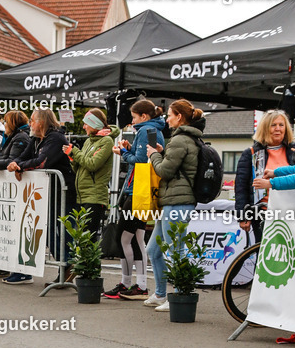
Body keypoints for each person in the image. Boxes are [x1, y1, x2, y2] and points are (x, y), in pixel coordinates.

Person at [145, 99, 204, 311]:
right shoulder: (183, 139)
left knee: (175, 250)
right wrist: (161, 152)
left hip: (177, 202)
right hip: (172, 201)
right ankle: (161, 293)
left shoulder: (180, 140)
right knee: (154, 250)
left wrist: (153, 155)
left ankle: (178, 295)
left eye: (169, 115)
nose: (166, 118)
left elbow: (165, 171)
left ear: (179, 117)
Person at [7, 108, 75, 285]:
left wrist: (20, 167)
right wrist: (17, 164)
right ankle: (65, 265)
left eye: (32, 120)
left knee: (64, 228)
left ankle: (70, 264)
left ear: (42, 122)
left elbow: (42, 162)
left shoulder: (55, 138)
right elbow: (22, 157)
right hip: (48, 190)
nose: (30, 123)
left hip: (63, 189)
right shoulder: (36, 138)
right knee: (49, 229)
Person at [107, 99, 167, 300]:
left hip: (137, 192)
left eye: (133, 117)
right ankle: (140, 284)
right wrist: (130, 148)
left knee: (123, 238)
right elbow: (146, 156)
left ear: (143, 116)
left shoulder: (146, 129)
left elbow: (141, 161)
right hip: (144, 191)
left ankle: (127, 283)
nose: (131, 122)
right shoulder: (154, 129)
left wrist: (123, 152)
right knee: (138, 238)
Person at [234, 110, 295, 245]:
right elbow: (241, 187)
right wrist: (243, 216)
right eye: (273, 125)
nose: (278, 129)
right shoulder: (251, 153)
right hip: (262, 213)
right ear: (265, 128)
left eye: (281, 125)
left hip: (291, 212)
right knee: (264, 256)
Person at [62, 107, 118, 239]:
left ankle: (91, 261)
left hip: (95, 197)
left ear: (94, 124)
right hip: (83, 196)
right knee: (83, 239)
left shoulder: (107, 141)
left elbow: (93, 164)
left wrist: (75, 153)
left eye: (86, 123)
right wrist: (73, 159)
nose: (83, 127)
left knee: (88, 239)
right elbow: (81, 167)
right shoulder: (88, 141)